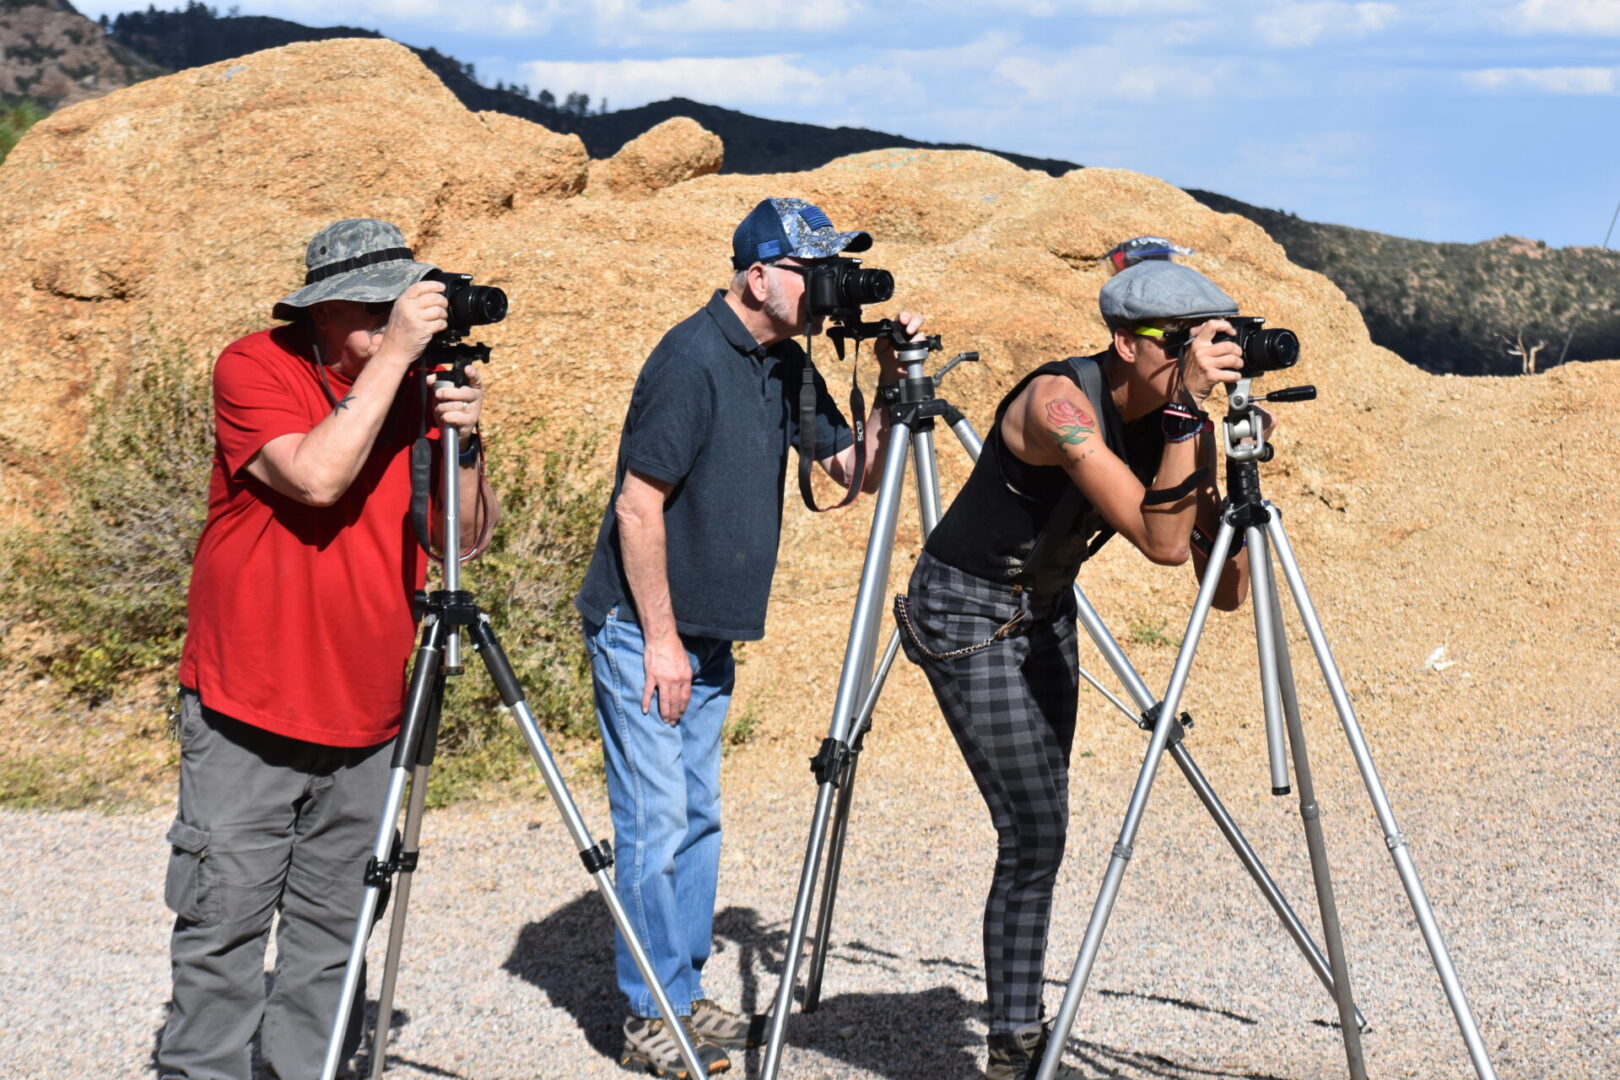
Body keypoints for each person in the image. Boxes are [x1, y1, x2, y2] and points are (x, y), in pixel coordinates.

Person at [575, 197, 923, 1075]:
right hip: (643, 630)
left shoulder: (787, 365)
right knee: (654, 822)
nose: (828, 289)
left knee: (695, 820)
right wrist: (659, 641)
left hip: (709, 633)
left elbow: (861, 473)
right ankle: (649, 1012)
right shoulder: (691, 358)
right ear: (758, 275)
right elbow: (636, 504)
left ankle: (683, 993)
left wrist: (888, 384)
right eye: (816, 271)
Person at [895, 260, 1261, 1080]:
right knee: (1034, 827)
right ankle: (1015, 1037)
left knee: (1042, 826)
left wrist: (1230, 477)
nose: (1205, 353)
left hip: (1045, 609)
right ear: (1127, 343)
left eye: (1216, 337)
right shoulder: (1058, 404)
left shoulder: (1180, 419)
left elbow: (1226, 588)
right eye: (1187, 340)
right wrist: (1185, 419)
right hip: (965, 608)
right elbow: (1160, 543)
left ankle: (1018, 1018)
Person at [157, 218, 495, 1080]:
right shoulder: (254, 366)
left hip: (372, 707)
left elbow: (464, 540)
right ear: (321, 310)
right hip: (248, 705)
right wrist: (394, 364)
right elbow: (315, 477)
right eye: (375, 312)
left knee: (335, 935)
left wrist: (465, 443)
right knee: (223, 926)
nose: (393, 328)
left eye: (402, 309)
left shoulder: (414, 386)